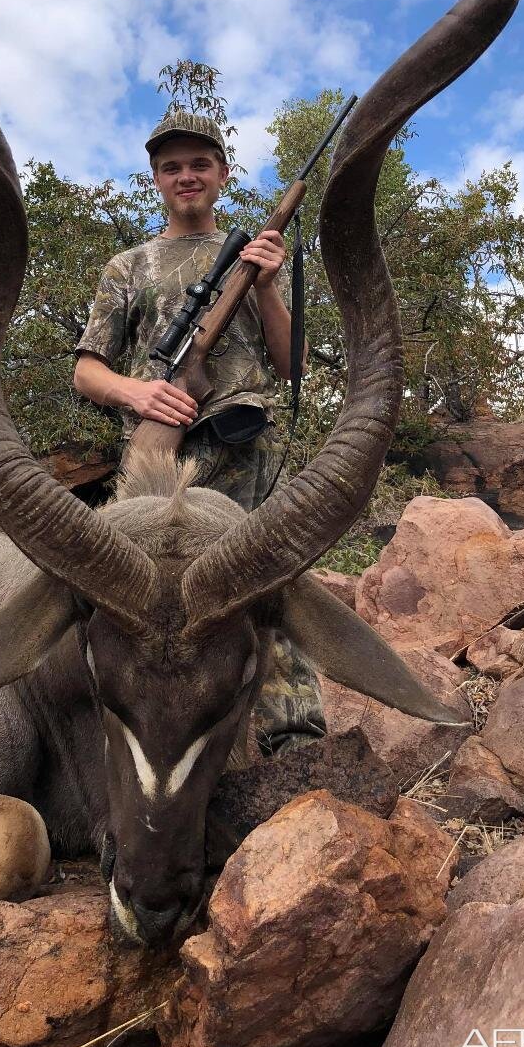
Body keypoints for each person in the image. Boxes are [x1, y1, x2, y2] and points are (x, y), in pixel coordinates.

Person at [73, 108, 326, 752]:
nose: (186, 176)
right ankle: (140, 744)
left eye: (199, 164)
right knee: (140, 598)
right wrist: (139, 392)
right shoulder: (127, 267)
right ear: (155, 179)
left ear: (221, 174)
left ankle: (288, 738)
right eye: (172, 166)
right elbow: (87, 370)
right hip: (159, 457)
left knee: (271, 581)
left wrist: (267, 287)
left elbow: (290, 363)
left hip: (247, 449)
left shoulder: (252, 256)